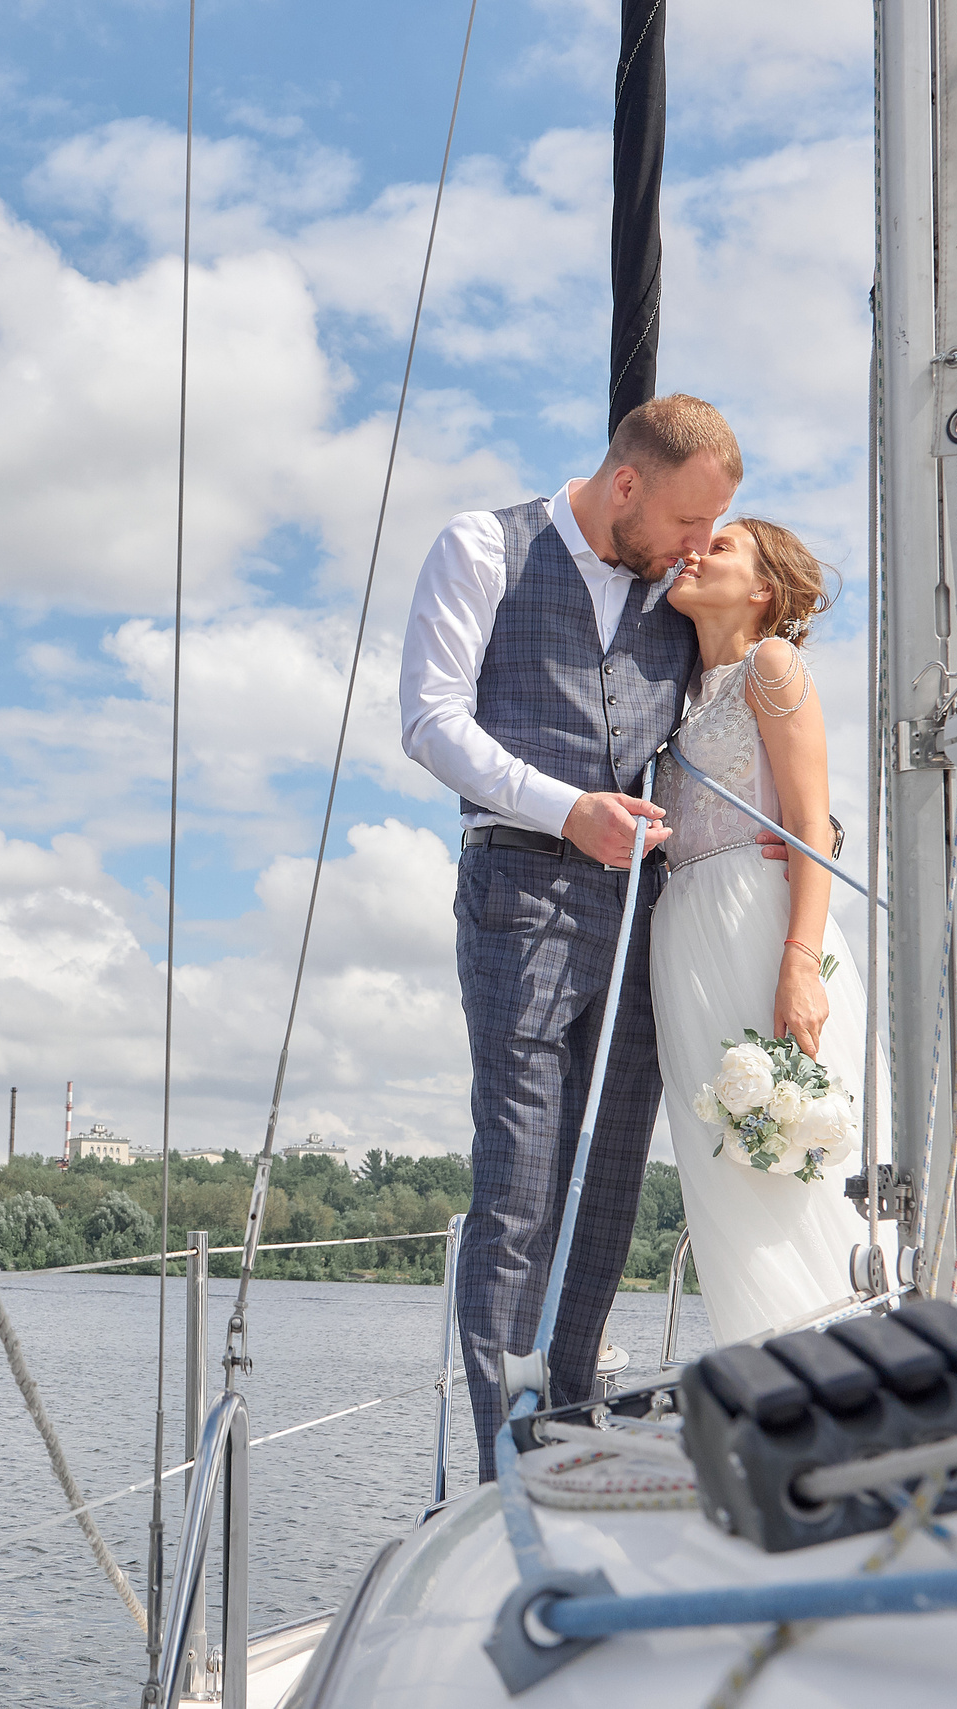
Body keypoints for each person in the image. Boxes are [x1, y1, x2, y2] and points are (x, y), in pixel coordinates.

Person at [397, 395, 740, 1483]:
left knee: (609, 1186)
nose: (697, 546)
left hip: (642, 907)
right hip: (519, 886)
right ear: (626, 483)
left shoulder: (673, 592)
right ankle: (507, 1454)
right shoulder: (481, 546)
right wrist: (564, 807)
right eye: (689, 520)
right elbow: (430, 717)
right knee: (517, 1180)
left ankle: (575, 1419)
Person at [653, 518, 874, 1344]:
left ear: (762, 590)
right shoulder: (672, 689)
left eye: (721, 546)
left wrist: (800, 963)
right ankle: (769, 1359)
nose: (694, 551)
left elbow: (813, 825)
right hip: (683, 938)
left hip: (763, 921)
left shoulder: (770, 665)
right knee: (727, 1169)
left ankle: (851, 1350)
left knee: (799, 1157)